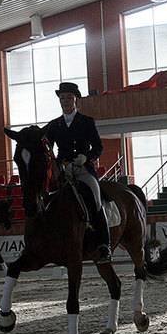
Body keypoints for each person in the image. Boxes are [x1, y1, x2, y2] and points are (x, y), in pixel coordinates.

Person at [43, 81, 111, 264]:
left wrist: (86, 157)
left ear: (76, 100)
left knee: (95, 199)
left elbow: (98, 147)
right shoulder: (54, 125)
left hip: (82, 168)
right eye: (62, 97)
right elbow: (47, 148)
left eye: (69, 97)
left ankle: (104, 245)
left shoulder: (87, 121)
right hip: (63, 169)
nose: (65, 100)